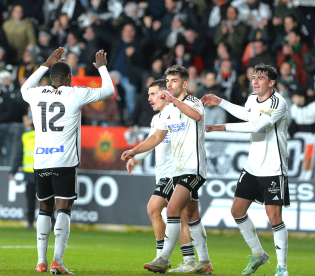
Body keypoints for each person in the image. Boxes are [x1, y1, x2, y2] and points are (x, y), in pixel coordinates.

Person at [20, 47, 114, 274]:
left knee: (44, 209)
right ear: (69, 78)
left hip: (41, 160)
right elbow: (109, 90)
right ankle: (57, 262)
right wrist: (101, 67)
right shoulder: (75, 93)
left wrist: (45, 63)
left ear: (50, 78)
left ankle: (41, 261)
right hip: (64, 161)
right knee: (63, 209)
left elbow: (24, 87)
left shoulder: (37, 93)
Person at [121, 65, 212, 274]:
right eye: (168, 80)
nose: (170, 84)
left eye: (174, 81)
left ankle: (162, 258)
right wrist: (133, 151)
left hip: (193, 168)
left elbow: (197, 117)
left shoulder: (193, 102)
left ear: (185, 84)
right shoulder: (167, 111)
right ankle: (203, 262)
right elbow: (156, 137)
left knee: (171, 210)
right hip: (179, 169)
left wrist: (173, 100)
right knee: (191, 216)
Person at [201, 63, 289, 276]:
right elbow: (246, 113)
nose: (255, 81)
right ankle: (258, 254)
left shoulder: (279, 103)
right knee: (237, 211)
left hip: (273, 167)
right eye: (254, 76)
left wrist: (221, 127)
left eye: (261, 78)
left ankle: (282, 268)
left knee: (274, 217)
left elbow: (256, 125)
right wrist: (221, 102)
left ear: (271, 83)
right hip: (252, 166)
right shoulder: (252, 99)